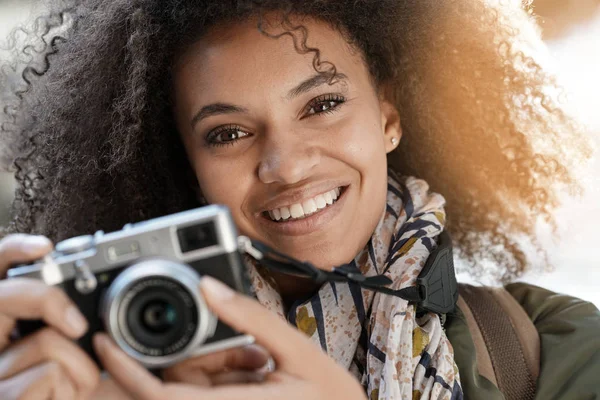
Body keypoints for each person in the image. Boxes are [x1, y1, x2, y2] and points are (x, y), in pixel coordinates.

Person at [0, 0, 598, 399]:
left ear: (389, 114)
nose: (285, 165)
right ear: (186, 165)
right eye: (228, 134)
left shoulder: (552, 347)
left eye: (322, 104)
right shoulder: (104, 358)